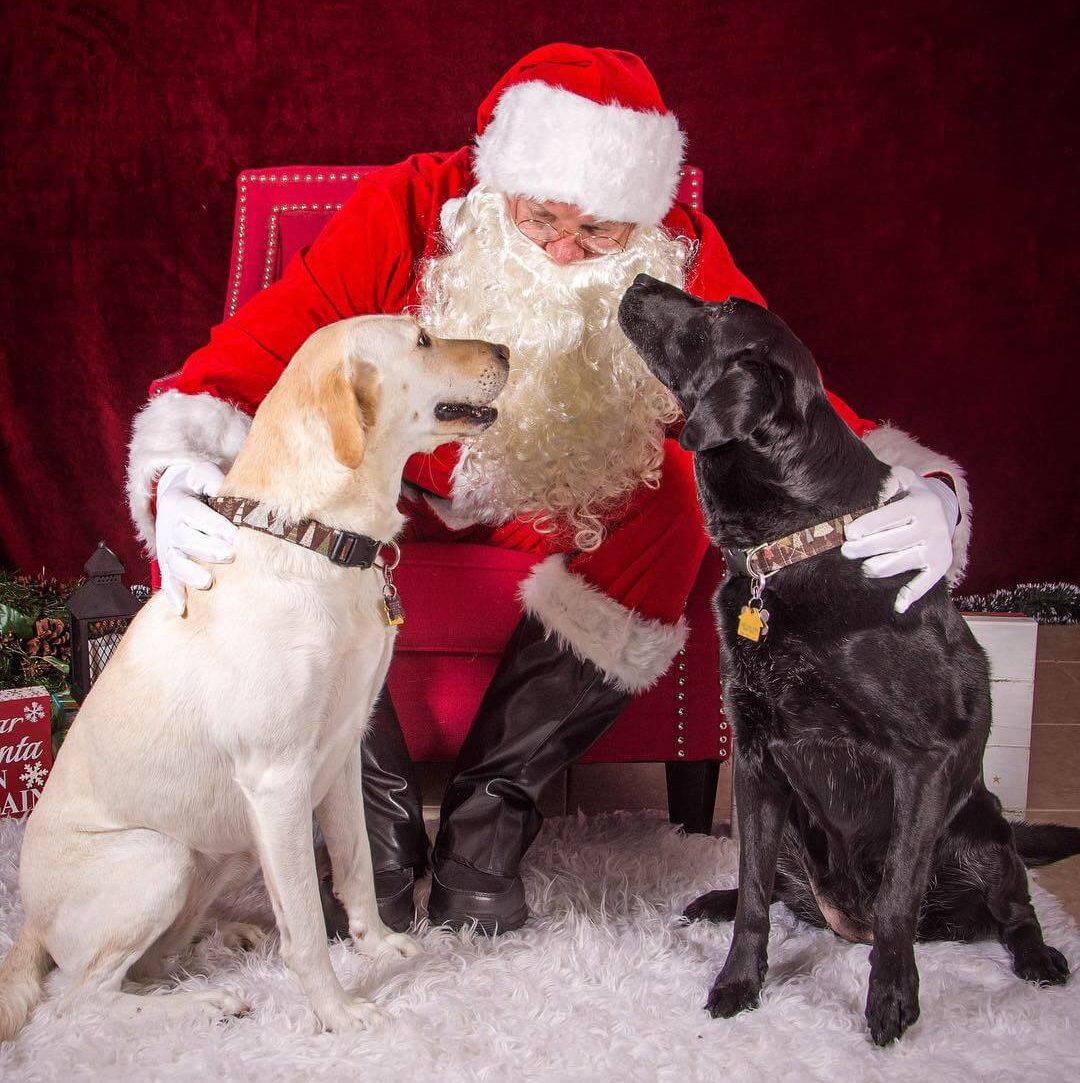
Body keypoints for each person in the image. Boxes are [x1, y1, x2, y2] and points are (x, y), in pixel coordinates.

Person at [126, 44, 970, 935]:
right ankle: (373, 835)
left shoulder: (677, 250)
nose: (566, 253)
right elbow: (252, 358)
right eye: (541, 219)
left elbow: (790, 402)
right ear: (502, 183)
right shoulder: (409, 208)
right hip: (392, 496)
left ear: (639, 218)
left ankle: (485, 831)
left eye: (600, 234)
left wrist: (921, 491)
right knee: (298, 481)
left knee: (684, 489)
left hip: (556, 503)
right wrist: (179, 472)